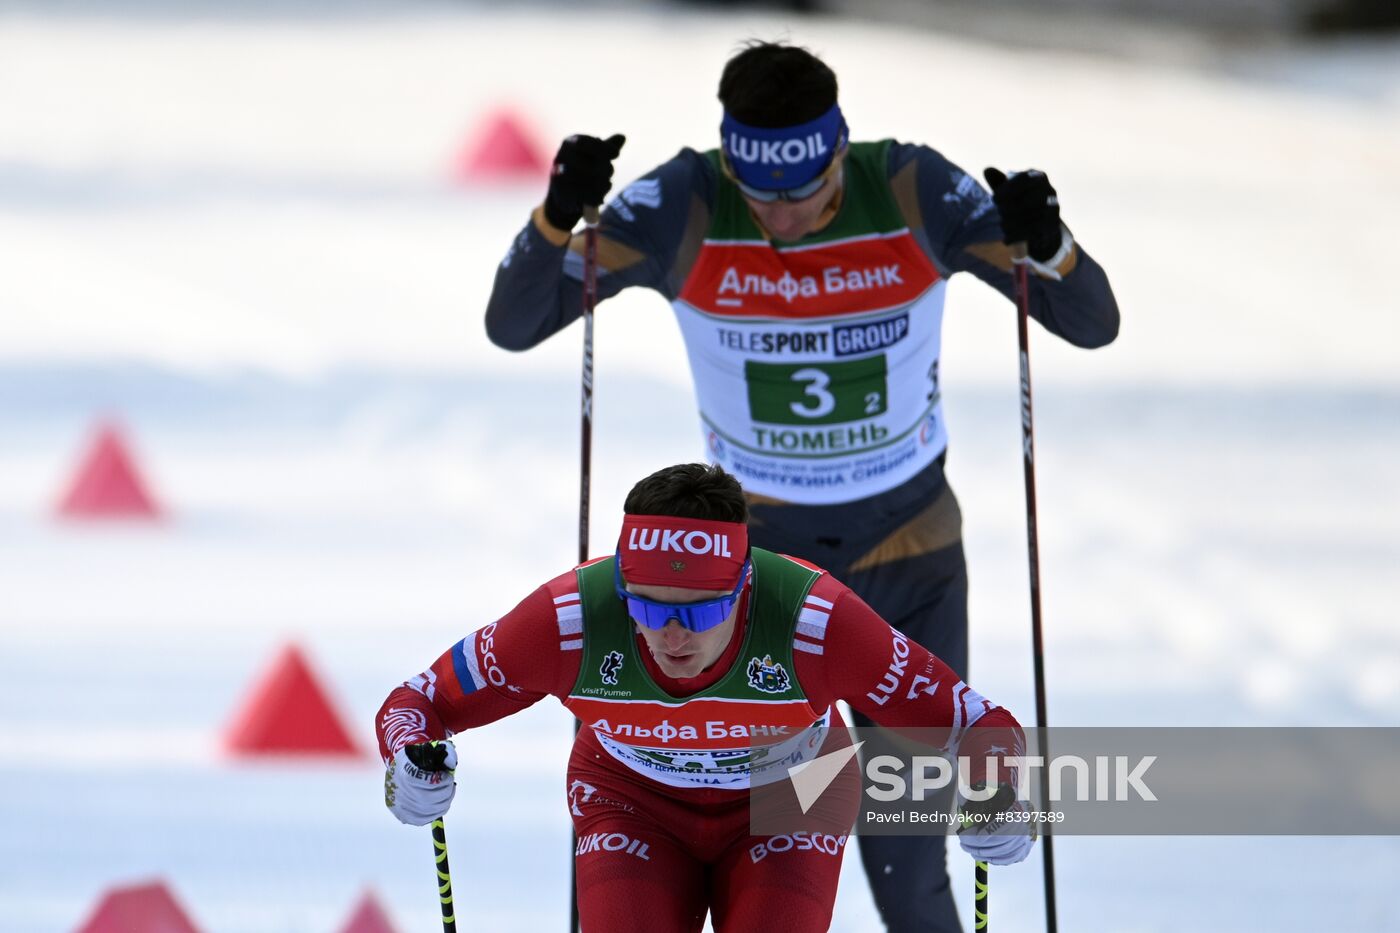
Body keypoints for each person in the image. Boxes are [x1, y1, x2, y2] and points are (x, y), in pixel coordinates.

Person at [483, 41, 1117, 931]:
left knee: (904, 848)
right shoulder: (688, 204)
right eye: (761, 194)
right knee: (761, 844)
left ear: (838, 150)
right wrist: (555, 217)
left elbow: (1091, 322)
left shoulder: (911, 190)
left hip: (911, 559)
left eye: (805, 190)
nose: (781, 217)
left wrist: (1047, 243)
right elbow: (516, 322)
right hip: (760, 595)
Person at [377, 463, 1032, 932]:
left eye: (699, 610)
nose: (668, 633)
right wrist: (409, 762)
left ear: (744, 586)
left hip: (791, 796)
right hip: (631, 800)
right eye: (646, 605)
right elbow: (418, 700)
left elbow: (977, 721)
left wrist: (998, 790)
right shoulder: (569, 619)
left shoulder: (817, 623)